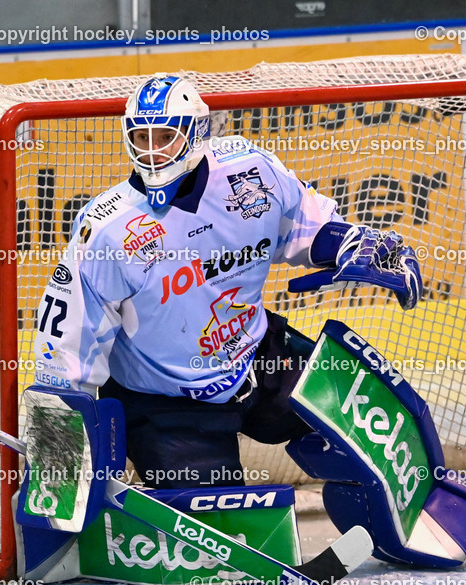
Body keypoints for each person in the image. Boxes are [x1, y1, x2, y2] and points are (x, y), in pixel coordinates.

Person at [33, 74, 421, 488]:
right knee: (212, 536)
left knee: (372, 424)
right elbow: (66, 345)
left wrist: (349, 244)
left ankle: (401, 528)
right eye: (141, 138)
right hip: (166, 404)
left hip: (259, 358)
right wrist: (58, 456)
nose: (152, 152)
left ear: (196, 134)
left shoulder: (249, 171)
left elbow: (303, 226)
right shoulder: (108, 229)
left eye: (164, 136)